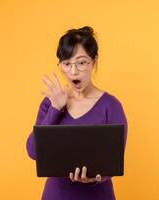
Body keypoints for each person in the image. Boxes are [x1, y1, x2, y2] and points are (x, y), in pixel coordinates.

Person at [26, 26, 128, 200]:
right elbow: (33, 151)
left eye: (81, 62)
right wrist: (55, 108)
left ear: (93, 62)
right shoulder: (51, 103)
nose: (73, 71)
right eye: (66, 64)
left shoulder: (111, 106)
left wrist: (96, 178)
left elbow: (114, 163)